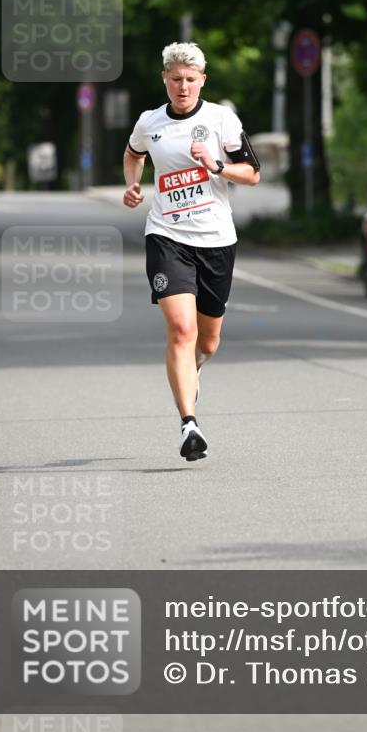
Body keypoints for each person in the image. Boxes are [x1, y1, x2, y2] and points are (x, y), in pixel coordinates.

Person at [122, 42, 260, 462]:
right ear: (164, 79)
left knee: (208, 342)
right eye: (176, 79)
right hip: (167, 237)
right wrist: (132, 184)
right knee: (182, 329)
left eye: (190, 80)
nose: (183, 87)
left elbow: (252, 174)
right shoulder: (150, 122)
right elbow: (133, 153)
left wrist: (215, 166)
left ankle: (193, 369)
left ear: (203, 80)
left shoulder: (221, 119)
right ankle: (189, 425)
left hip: (216, 240)